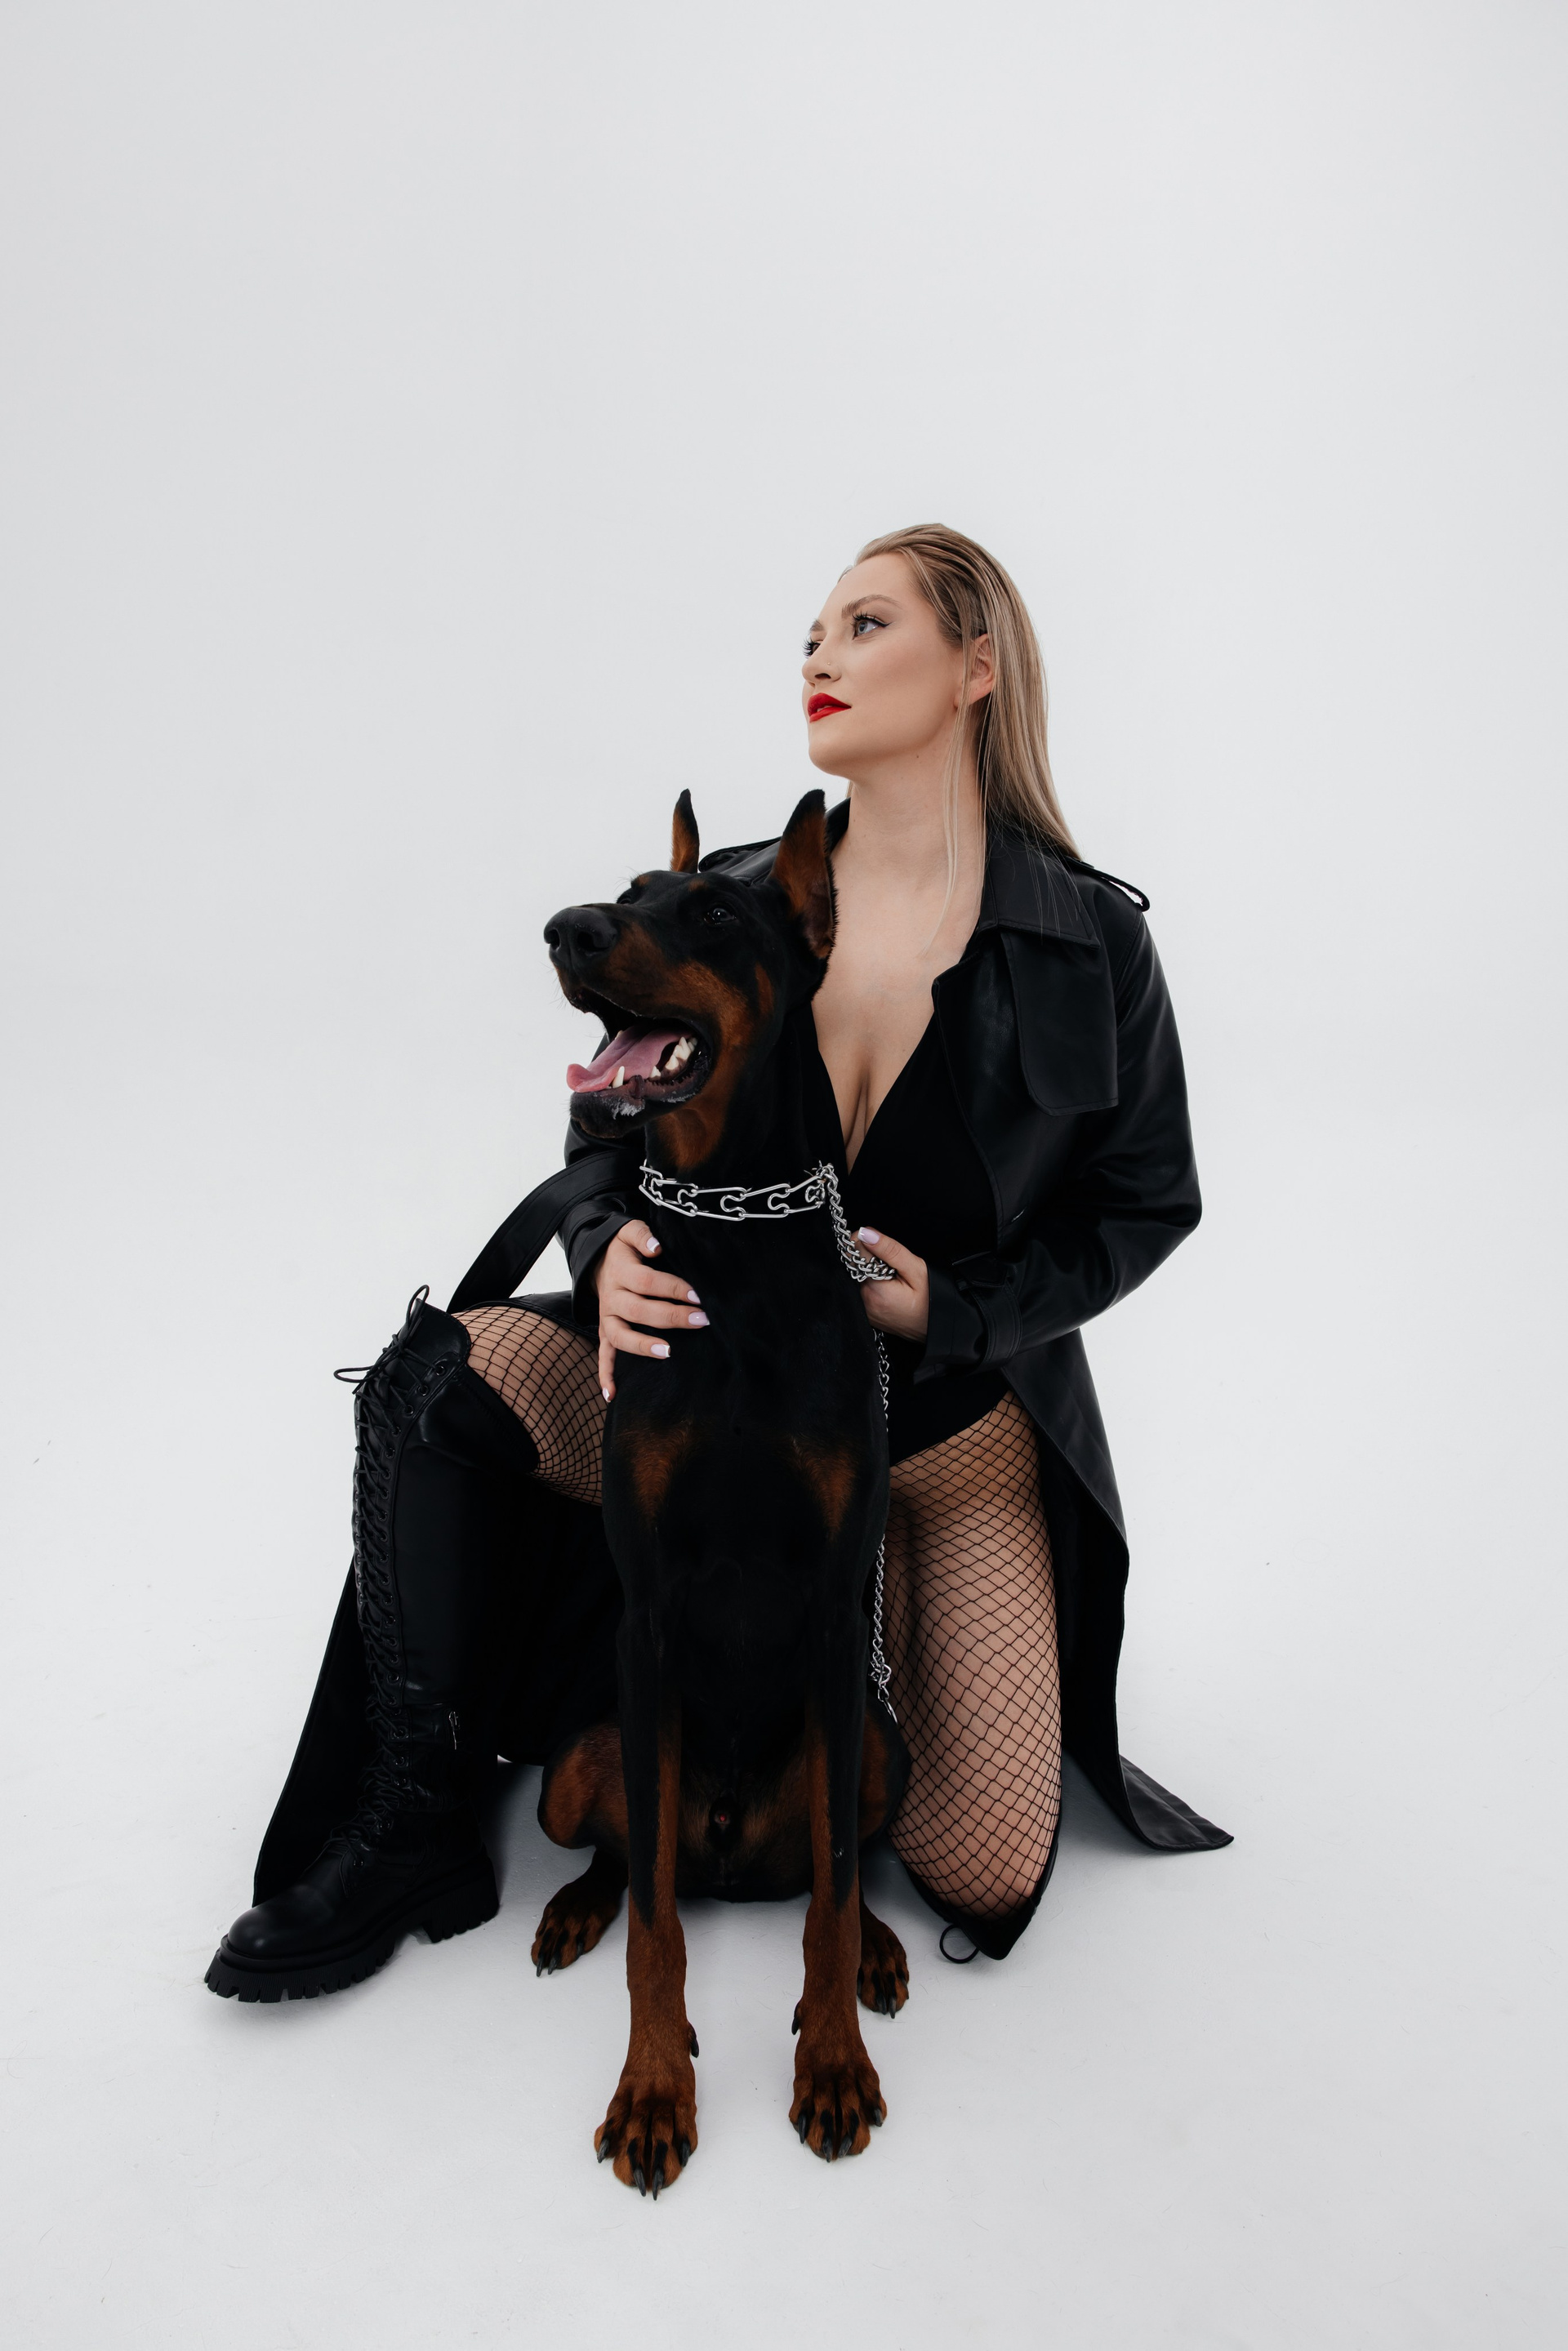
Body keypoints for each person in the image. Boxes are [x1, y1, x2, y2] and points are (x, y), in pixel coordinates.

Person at [207, 523, 1227, 2005]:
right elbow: (604, 1114)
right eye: (812, 632)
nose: (819, 655)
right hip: (711, 1365)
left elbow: (1146, 1200)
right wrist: (602, 1240)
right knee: (443, 1378)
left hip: (942, 1423)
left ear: (977, 667)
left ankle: (863, 1622)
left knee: (985, 1865)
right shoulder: (737, 895)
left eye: (866, 625)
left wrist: (962, 1307)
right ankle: (417, 1817)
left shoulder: (1089, 940)